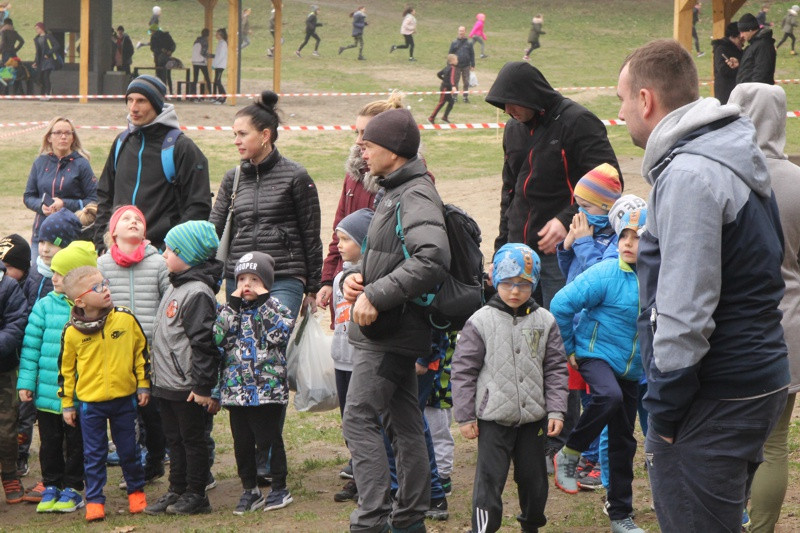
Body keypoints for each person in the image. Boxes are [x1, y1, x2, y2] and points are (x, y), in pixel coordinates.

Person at [617, 39, 789, 532]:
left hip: (712, 395)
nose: (623, 112)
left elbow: (685, 310)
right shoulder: (730, 155)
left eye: (623, 99)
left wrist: (664, 413)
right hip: (750, 379)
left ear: (646, 101)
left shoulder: (692, 173)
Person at [341, 108, 449, 532]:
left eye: (367, 144)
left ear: (395, 150)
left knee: (359, 418)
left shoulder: (415, 194)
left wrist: (376, 295)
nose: (361, 151)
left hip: (390, 332)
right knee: (403, 423)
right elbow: (389, 257)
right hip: (392, 328)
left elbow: (431, 258)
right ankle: (407, 521)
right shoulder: (395, 190)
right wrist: (357, 280)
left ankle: (371, 521)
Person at [485, 61, 621, 310]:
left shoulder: (578, 122)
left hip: (562, 254)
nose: (507, 110)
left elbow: (612, 182)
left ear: (530, 95)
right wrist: (501, 249)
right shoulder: (513, 128)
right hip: (518, 254)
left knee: (558, 334)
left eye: (512, 102)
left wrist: (566, 220)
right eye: (502, 104)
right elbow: (510, 192)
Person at [452, 243, 568, 533]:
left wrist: (556, 409)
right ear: (495, 281)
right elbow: (463, 370)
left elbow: (555, 368)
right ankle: (483, 528)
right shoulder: (480, 322)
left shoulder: (546, 321)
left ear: (534, 284)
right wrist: (465, 415)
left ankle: (531, 524)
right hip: (493, 418)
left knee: (534, 479)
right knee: (489, 480)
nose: (515, 291)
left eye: (523, 284)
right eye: (507, 283)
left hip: (533, 419)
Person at [729, 82, 800, 533]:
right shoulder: (797, 180)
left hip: (734, 328)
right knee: (774, 444)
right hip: (790, 326)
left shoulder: (724, 173)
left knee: (731, 440)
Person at [550, 209, 646, 533]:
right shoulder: (605, 273)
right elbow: (561, 304)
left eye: (638, 238)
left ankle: (620, 514)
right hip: (593, 355)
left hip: (632, 369)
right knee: (608, 395)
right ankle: (570, 451)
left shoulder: (658, 280)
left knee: (623, 441)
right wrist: (570, 349)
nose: (629, 243)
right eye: (625, 237)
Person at [209, 90, 321, 320]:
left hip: (284, 276)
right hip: (239, 277)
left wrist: (313, 287)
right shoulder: (233, 178)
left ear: (265, 135)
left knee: (273, 344)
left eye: (242, 134)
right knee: (240, 347)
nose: (236, 141)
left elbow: (310, 233)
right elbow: (214, 229)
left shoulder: (296, 176)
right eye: (234, 134)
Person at [58, 265, 149, 522]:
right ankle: (95, 500)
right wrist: (67, 404)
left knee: (129, 450)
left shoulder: (125, 319)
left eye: (105, 283)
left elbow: (140, 354)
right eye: (97, 287)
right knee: (94, 454)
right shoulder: (73, 332)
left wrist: (143, 384)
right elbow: (66, 371)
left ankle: (136, 492)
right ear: (80, 300)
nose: (105, 289)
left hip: (124, 400)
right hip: (91, 405)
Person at [144, 220, 222, 516]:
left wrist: (202, 387)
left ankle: (196, 494)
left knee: (192, 440)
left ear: (188, 254)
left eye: (170, 249)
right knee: (173, 440)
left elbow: (204, 346)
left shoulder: (198, 292)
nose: (164, 255)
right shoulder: (176, 286)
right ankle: (176, 489)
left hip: (188, 387)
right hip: (167, 383)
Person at [17, 242, 96, 512]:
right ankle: (52, 482)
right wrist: (27, 383)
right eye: (54, 272)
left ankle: (74, 486)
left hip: (79, 394)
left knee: (77, 442)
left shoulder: (92, 308)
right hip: (48, 395)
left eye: (61, 274)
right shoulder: (43, 306)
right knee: (49, 442)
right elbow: (30, 348)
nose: (54, 277)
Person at [214, 252, 295, 514]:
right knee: (242, 444)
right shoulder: (230, 310)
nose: (247, 285)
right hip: (237, 393)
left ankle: (280, 488)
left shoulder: (276, 307)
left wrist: (263, 302)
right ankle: (250, 489)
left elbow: (278, 335)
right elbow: (218, 339)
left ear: (267, 283)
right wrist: (234, 308)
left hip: (267, 391)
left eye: (254, 279)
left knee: (269, 440)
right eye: (241, 279)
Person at [95, 75, 212, 253]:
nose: (133, 108)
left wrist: (168, 250)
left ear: (156, 104)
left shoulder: (181, 148)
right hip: (117, 254)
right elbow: (104, 196)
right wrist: (101, 244)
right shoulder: (121, 143)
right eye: (130, 100)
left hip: (161, 256)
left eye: (141, 101)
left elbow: (198, 207)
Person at [97, 205, 168, 486]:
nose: (134, 222)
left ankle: (154, 462)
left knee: (153, 413)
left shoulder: (158, 262)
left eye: (139, 218)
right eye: (126, 219)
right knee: (126, 414)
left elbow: (167, 301)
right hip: (117, 353)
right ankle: (133, 466)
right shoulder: (102, 265)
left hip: (152, 351)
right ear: (113, 231)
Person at [316, 93, 402, 322]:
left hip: (381, 291)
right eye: (357, 132)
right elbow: (339, 230)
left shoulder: (409, 181)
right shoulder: (353, 175)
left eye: (365, 133)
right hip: (345, 283)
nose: (358, 140)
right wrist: (327, 280)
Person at [328, 208, 372, 504]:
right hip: (341, 359)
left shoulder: (370, 276)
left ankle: (368, 479)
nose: (339, 245)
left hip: (362, 362)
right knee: (348, 421)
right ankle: (357, 474)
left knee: (365, 421)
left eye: (345, 239)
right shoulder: (339, 276)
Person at [23, 117, 97, 262]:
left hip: (71, 235)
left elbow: (94, 199)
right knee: (37, 277)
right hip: (41, 235)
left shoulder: (82, 164)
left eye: (67, 133)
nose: (63, 136)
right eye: (58, 133)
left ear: (73, 137)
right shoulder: (40, 163)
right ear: (49, 137)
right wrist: (41, 206)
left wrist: (64, 204)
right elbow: (28, 196)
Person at [556, 163, 622, 284]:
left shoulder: (618, 236)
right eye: (579, 206)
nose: (581, 212)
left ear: (607, 206)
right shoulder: (588, 230)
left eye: (586, 206)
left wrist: (583, 242)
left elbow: (603, 278)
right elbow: (569, 273)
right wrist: (566, 248)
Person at [0, 246, 27, 506]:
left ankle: (10, 474)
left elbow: (17, 322)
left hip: (4, 368)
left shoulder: (8, 286)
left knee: (7, 426)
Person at [22, 208, 82, 310]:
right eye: (42, 242)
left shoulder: (74, 278)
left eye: (53, 244)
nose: (45, 249)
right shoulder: (35, 269)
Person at [737, 12, 776, 85]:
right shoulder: (753, 45)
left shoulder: (763, 45)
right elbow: (750, 66)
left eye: (742, 32)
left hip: (755, 93)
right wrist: (739, 64)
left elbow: (761, 72)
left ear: (750, 30)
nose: (741, 36)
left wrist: (752, 92)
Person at [711, 22, 743, 104]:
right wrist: (739, 70)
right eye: (740, 38)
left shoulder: (738, 50)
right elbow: (723, 69)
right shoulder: (721, 49)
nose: (743, 42)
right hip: (725, 91)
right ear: (733, 36)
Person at [427, 54, 457, 125]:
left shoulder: (447, 67)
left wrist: (444, 79)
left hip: (446, 87)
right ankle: (431, 118)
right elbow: (452, 78)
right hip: (445, 88)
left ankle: (445, 117)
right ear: (452, 61)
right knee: (441, 103)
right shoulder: (452, 68)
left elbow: (439, 74)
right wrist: (453, 85)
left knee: (451, 102)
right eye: (456, 59)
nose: (457, 61)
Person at [32, 22, 60, 99]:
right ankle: (43, 93)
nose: (36, 30)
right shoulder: (37, 39)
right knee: (40, 78)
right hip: (41, 61)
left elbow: (57, 45)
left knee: (46, 77)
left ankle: (48, 93)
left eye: (37, 28)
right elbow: (38, 52)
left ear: (42, 28)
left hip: (49, 61)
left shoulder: (48, 36)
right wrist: (35, 62)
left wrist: (48, 54)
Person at [448, 26, 474, 103]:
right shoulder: (454, 42)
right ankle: (454, 97)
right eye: (460, 31)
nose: (461, 32)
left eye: (462, 31)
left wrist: (473, 64)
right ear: (458, 32)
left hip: (466, 65)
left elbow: (472, 54)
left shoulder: (469, 43)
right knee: (455, 81)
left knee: (466, 82)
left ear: (465, 32)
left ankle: (465, 97)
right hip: (456, 66)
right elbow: (450, 54)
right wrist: (450, 64)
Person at [149, 24, 176, 92]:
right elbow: (173, 45)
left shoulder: (154, 37)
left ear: (153, 31)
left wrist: (161, 50)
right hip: (168, 58)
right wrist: (170, 51)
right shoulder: (166, 35)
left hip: (158, 60)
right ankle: (171, 92)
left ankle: (161, 91)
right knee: (168, 76)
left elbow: (152, 48)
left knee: (159, 75)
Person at [191, 29, 212, 98]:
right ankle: (211, 94)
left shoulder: (196, 40)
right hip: (201, 62)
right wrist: (212, 56)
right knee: (207, 79)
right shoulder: (204, 41)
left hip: (194, 62)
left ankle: (193, 96)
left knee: (195, 79)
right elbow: (203, 53)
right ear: (208, 35)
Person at [210, 28, 227, 104]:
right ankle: (220, 96)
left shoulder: (223, 43)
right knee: (217, 81)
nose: (215, 35)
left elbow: (220, 56)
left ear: (221, 35)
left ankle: (223, 97)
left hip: (220, 65)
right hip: (218, 65)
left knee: (218, 81)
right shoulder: (220, 43)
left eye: (217, 34)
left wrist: (214, 64)